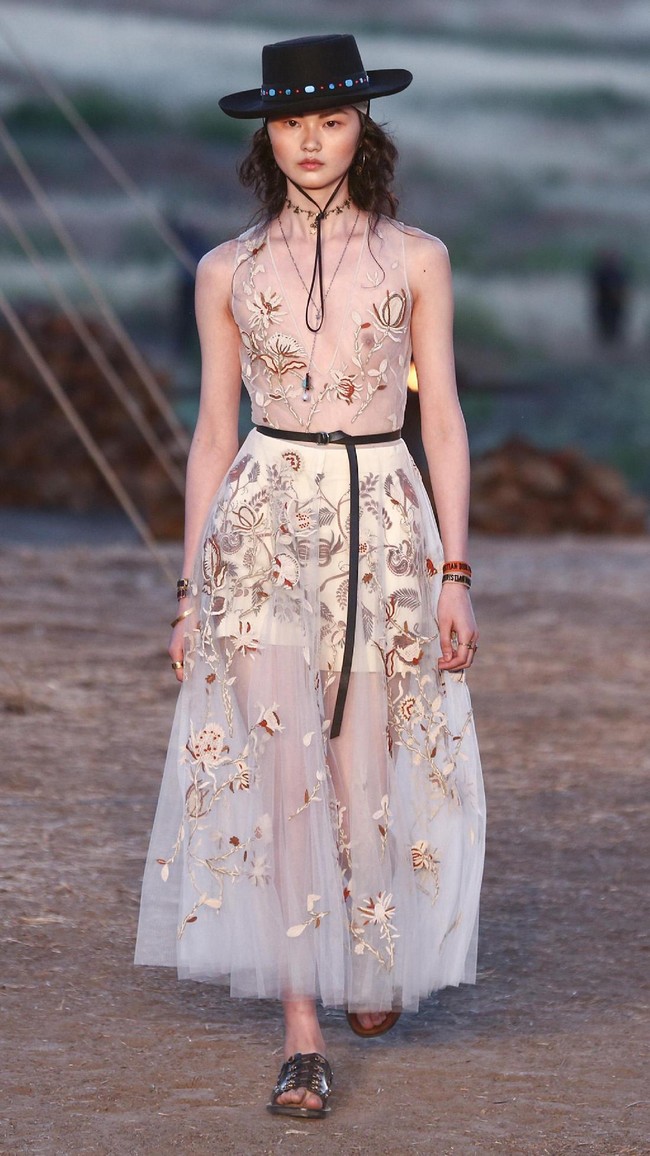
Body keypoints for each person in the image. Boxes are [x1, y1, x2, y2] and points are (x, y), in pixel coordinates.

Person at [135, 34, 485, 1121]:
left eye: (331, 121)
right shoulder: (226, 272)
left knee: (365, 764)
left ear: (361, 130)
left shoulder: (416, 258)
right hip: (264, 518)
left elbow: (442, 418)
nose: (310, 141)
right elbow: (207, 435)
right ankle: (300, 1030)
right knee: (282, 777)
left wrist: (456, 572)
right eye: (292, 122)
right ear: (266, 133)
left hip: (384, 517)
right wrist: (191, 590)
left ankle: (371, 957)